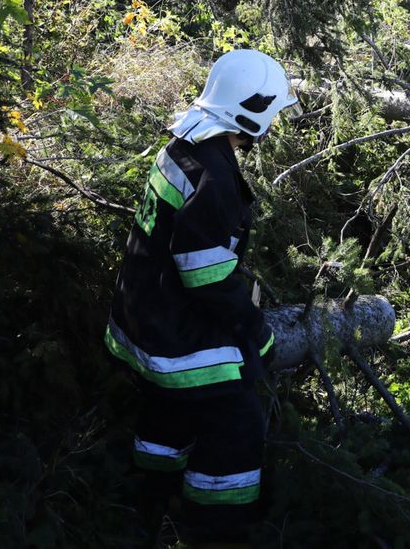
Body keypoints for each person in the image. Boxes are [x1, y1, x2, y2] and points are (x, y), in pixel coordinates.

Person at [104, 49, 298, 542]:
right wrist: (257, 333)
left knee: (168, 412)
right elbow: (206, 277)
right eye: (272, 112)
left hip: (141, 316)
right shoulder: (214, 177)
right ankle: (215, 528)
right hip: (173, 333)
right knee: (238, 421)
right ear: (251, 112)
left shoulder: (185, 143)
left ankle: (147, 501)